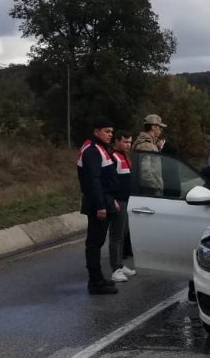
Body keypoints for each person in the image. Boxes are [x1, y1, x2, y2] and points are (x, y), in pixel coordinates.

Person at [77, 118, 120, 295]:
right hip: (97, 203)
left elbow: (105, 179)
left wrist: (112, 200)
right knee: (94, 244)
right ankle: (95, 282)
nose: (110, 134)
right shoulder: (92, 151)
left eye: (111, 131)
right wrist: (101, 205)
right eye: (107, 131)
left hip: (105, 199)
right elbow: (93, 181)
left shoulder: (100, 148)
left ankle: (98, 279)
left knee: (98, 242)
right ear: (96, 132)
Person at [109, 130, 136, 281]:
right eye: (125, 142)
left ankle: (120, 265)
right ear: (117, 141)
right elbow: (109, 180)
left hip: (127, 199)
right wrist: (112, 199)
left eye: (130, 142)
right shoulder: (113, 157)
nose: (128, 145)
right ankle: (115, 268)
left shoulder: (125, 156)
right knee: (116, 235)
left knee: (124, 233)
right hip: (118, 200)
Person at [132, 114, 167, 196]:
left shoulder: (151, 143)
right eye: (159, 127)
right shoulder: (146, 145)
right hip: (151, 192)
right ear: (153, 127)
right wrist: (157, 186)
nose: (161, 130)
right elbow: (145, 173)